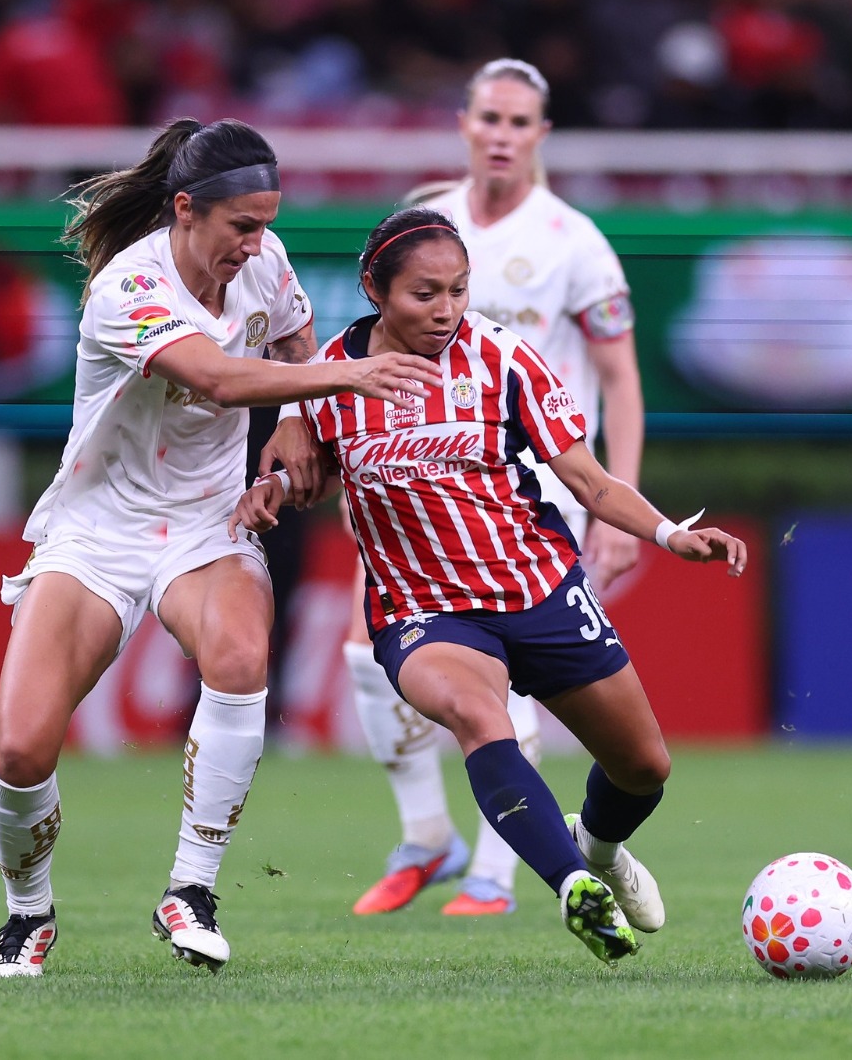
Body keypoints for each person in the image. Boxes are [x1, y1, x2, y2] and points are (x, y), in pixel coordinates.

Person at [0, 118, 442, 978]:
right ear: (186, 209)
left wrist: (298, 421)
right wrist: (348, 375)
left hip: (206, 523)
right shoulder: (129, 286)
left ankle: (190, 891)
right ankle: (28, 913)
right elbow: (221, 379)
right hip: (98, 531)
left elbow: (294, 332)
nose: (256, 244)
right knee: (20, 752)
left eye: (266, 225)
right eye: (242, 226)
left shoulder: (261, 259)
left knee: (238, 654)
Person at [230, 209, 747, 964]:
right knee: (479, 714)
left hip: (539, 589)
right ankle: (574, 886)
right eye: (425, 294)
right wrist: (270, 493)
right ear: (375, 289)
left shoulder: (503, 358)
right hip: (422, 609)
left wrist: (671, 534)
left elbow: (590, 482)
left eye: (459, 290)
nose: (445, 310)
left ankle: (596, 849)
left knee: (644, 769)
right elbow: (308, 481)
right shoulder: (330, 378)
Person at [349, 58, 649, 918]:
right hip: (413, 479)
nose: (502, 135)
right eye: (490, 118)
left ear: (541, 135)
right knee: (363, 650)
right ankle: (429, 835)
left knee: (505, 674)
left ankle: (496, 871)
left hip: (535, 485)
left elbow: (620, 377)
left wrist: (621, 506)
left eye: (520, 123)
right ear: (465, 124)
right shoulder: (426, 217)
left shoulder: (574, 240)